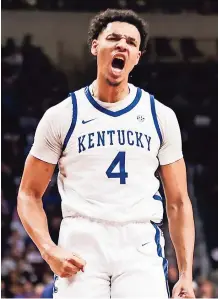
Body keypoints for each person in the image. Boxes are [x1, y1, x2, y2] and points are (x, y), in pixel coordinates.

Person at [17, 9, 195, 298]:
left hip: (139, 242)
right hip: (82, 240)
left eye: (131, 42)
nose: (122, 44)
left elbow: (177, 201)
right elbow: (28, 193)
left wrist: (186, 274)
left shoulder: (159, 116)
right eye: (113, 37)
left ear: (137, 56)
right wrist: (49, 251)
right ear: (95, 46)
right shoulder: (62, 115)